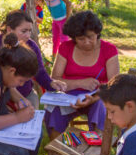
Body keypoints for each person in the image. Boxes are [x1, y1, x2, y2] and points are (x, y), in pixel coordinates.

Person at [45, 10, 119, 141]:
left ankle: (96, 150)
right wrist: (81, 83)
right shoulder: (65, 47)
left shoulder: (109, 50)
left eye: (90, 37)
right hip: (69, 96)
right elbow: (55, 78)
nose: (86, 42)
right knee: (55, 110)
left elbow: (114, 84)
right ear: (73, 38)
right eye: (81, 39)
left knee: (101, 107)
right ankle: (60, 154)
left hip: (98, 96)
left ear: (97, 33)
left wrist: (94, 98)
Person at [0, 9, 66, 109]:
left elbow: (38, 70)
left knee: (32, 117)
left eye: (30, 31)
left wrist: (50, 83)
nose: (28, 36)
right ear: (9, 29)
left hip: (26, 94)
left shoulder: (31, 45)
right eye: (24, 31)